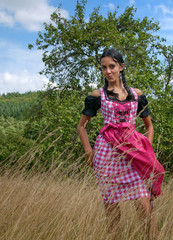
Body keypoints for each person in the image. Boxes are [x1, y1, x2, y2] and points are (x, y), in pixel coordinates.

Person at [77, 48, 165, 239]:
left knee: (144, 206)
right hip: (106, 154)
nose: (108, 71)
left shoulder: (136, 94)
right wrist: (87, 150)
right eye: (103, 68)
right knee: (111, 207)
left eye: (112, 66)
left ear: (121, 67)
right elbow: (82, 126)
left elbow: (149, 127)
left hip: (132, 153)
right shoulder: (98, 95)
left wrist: (146, 150)